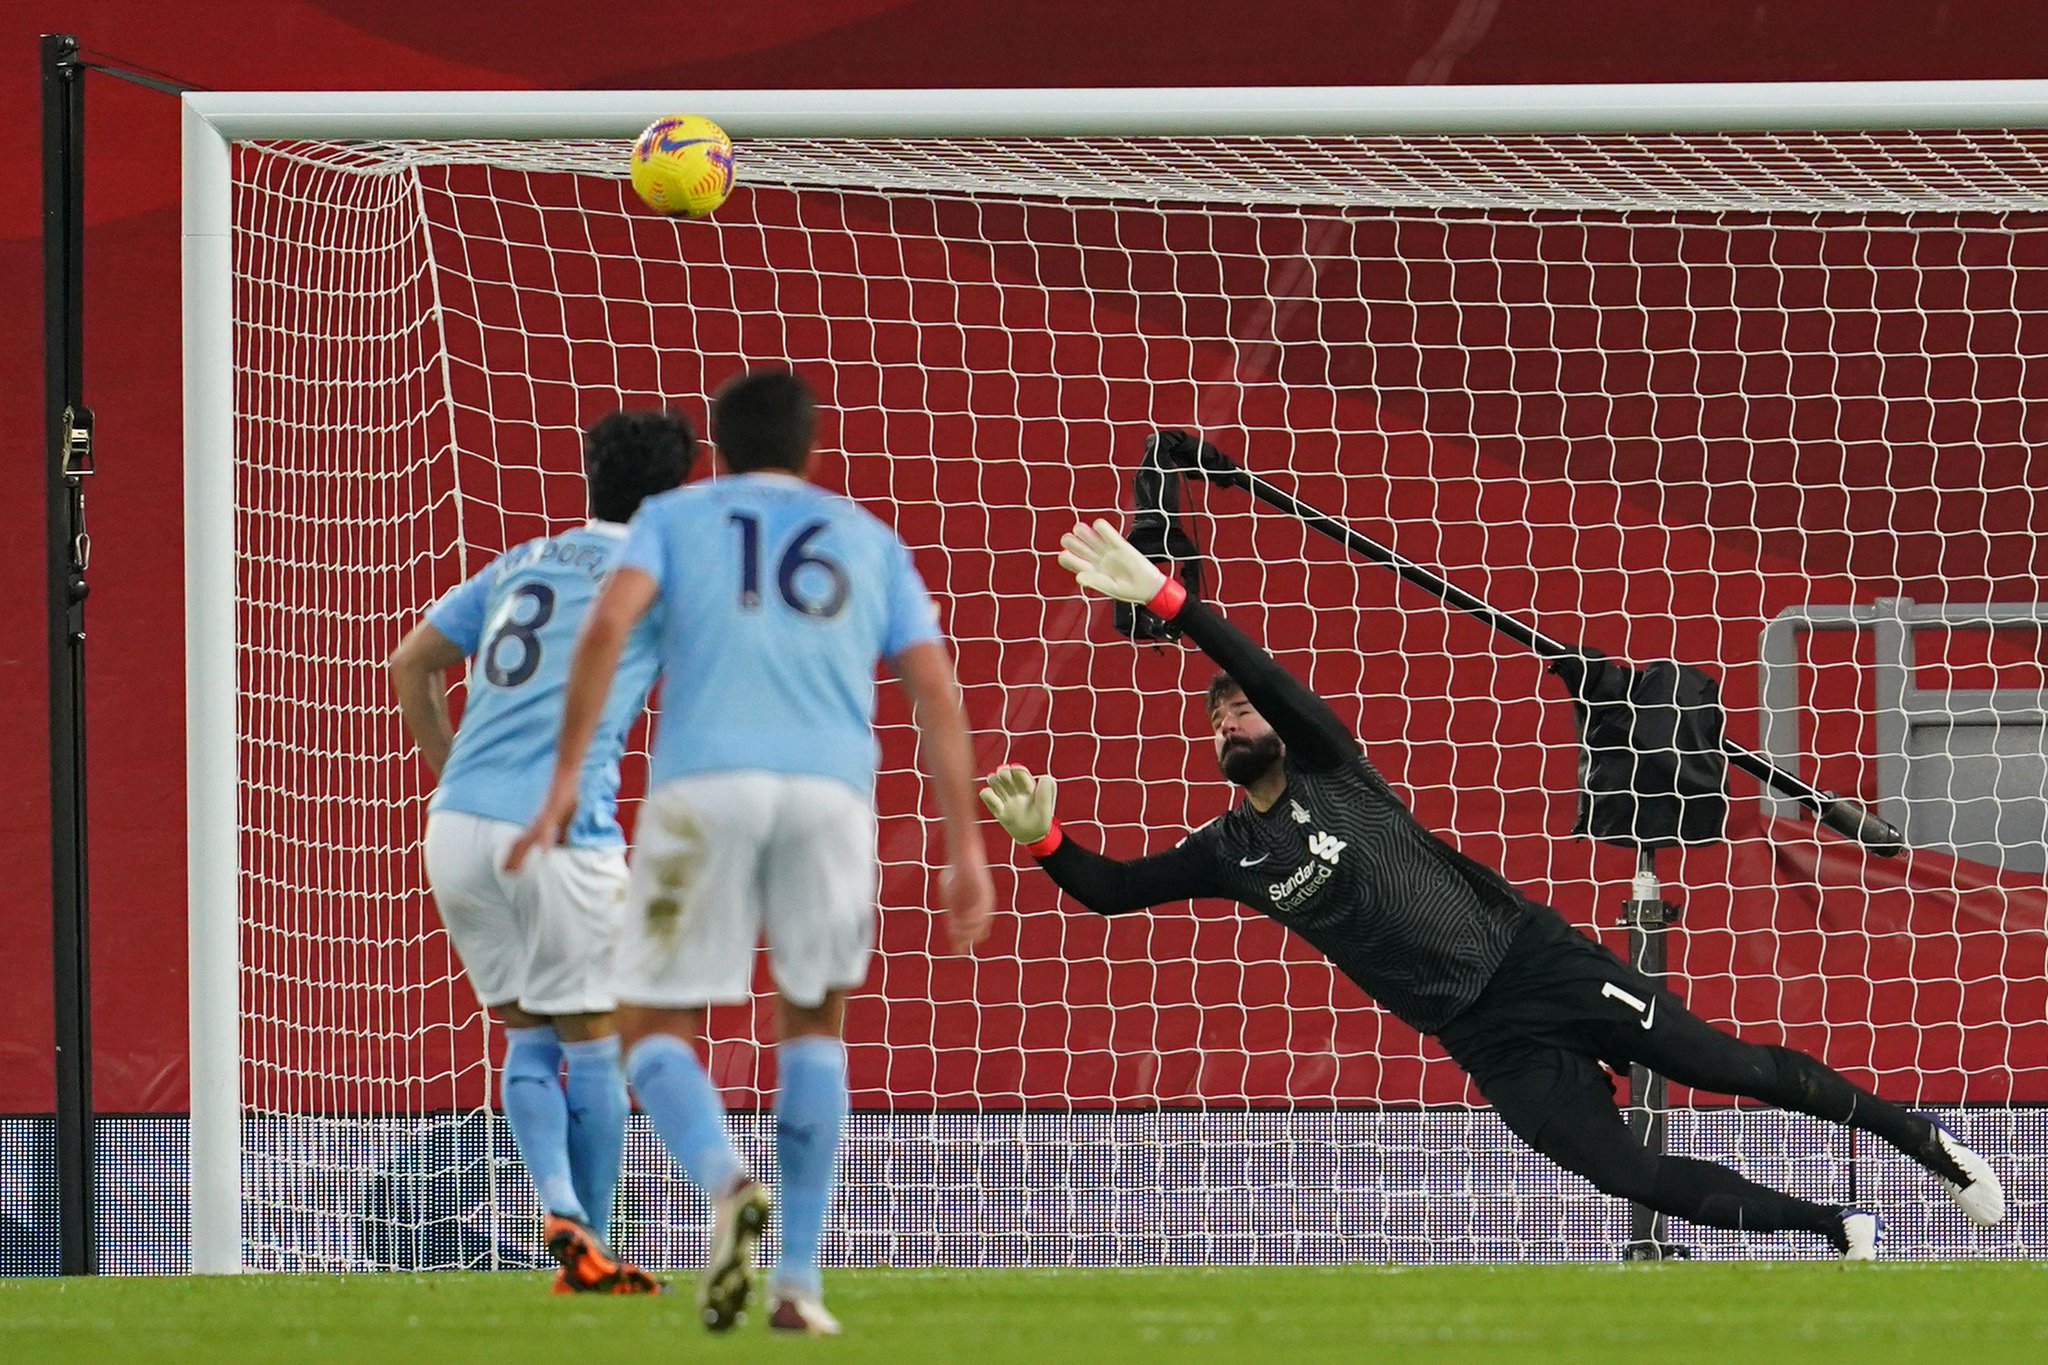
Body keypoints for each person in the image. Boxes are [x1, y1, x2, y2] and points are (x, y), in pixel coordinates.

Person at [978, 517, 2006, 1261]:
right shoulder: (1227, 850)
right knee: (1623, 1173)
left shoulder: (1334, 768)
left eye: (1239, 711)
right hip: (1481, 1036)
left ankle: (1926, 1144)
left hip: (1533, 960)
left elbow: (1270, 675)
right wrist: (1045, 840)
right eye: (1213, 722)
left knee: (1726, 1066)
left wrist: (1169, 601)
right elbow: (1108, 890)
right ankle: (1836, 1230)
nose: (1227, 725)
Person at [510, 368, 994, 1335]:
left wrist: (566, 776)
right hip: (830, 795)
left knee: (650, 1019)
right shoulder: (868, 536)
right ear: (813, 449)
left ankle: (729, 1184)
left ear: (713, 453)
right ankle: (800, 1281)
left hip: (704, 786)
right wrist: (964, 844)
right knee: (814, 1021)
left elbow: (608, 624)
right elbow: (933, 687)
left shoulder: (676, 520)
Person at [389, 409, 697, 1293]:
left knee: (528, 1033)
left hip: (455, 830)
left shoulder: (521, 560)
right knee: (598, 1041)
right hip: (561, 832)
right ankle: (588, 1248)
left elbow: (411, 664)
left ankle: (560, 1209)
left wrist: (459, 777)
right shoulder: (657, 576)